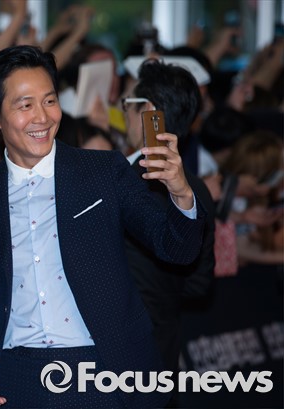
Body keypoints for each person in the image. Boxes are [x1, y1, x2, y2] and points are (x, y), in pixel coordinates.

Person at [0, 45, 206, 408]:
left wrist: (180, 192)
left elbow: (176, 248)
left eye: (50, 101)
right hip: (17, 378)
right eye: (25, 105)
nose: (42, 117)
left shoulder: (103, 171)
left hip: (106, 370)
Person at [121, 59, 216, 406]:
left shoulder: (121, 181)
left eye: (126, 104)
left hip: (114, 350)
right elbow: (198, 283)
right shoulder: (197, 189)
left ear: (147, 111)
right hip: (164, 346)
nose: (122, 114)